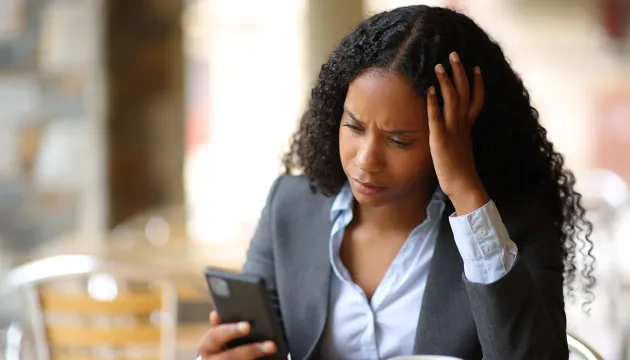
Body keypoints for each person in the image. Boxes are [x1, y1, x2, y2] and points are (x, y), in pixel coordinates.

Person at [197, 5, 595, 360]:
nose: (366, 161)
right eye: (353, 126)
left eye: (399, 140)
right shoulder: (291, 207)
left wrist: (467, 193)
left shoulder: (513, 226)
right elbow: (254, 346)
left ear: (457, 139)